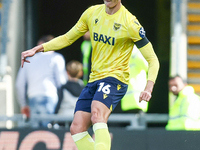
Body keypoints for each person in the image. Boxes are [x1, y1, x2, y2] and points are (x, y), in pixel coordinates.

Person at [21, 1, 160, 149]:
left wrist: (148, 87)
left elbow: (153, 60)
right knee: (76, 128)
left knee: (97, 114)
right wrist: (39, 49)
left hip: (115, 79)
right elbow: (68, 38)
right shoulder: (92, 13)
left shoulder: (130, 22)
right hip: (94, 79)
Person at [16, 35, 67, 127]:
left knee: (35, 132)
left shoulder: (28, 60)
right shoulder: (56, 58)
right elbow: (62, 82)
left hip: (32, 97)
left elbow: (19, 84)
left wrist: (23, 105)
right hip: (50, 96)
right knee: (48, 131)